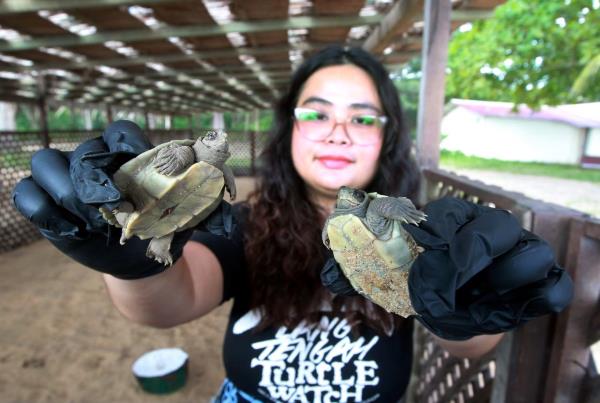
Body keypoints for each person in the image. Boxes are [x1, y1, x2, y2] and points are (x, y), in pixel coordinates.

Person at [12, 45, 573, 402]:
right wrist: (133, 264)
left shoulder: (420, 231)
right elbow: (170, 302)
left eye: (362, 117)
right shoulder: (246, 223)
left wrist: (477, 302)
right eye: (317, 112)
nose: (338, 130)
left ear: (388, 137)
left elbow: (468, 346)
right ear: (290, 129)